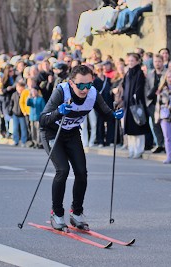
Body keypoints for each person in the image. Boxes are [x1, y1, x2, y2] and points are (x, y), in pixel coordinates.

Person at [39, 65, 123, 230]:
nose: (85, 89)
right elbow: (43, 119)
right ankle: (57, 213)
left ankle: (76, 212)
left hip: (71, 134)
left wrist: (114, 115)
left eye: (88, 85)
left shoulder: (93, 93)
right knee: (62, 170)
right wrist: (58, 112)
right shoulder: (61, 92)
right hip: (52, 133)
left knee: (81, 172)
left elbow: (105, 112)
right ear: (71, 83)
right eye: (80, 85)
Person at [122, 53, 150, 159]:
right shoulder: (128, 73)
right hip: (128, 104)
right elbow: (124, 86)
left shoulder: (139, 73)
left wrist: (135, 97)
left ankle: (139, 150)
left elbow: (139, 88)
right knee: (130, 130)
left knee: (138, 128)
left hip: (136, 104)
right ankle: (131, 149)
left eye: (132, 61)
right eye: (129, 61)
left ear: (138, 61)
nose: (130, 63)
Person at [145, 54, 166, 153]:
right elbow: (147, 88)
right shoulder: (150, 74)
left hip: (164, 103)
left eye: (159, 61)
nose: (157, 63)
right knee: (155, 124)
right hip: (152, 103)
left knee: (165, 124)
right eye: (155, 61)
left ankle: (166, 144)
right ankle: (159, 143)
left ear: (163, 62)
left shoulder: (166, 73)